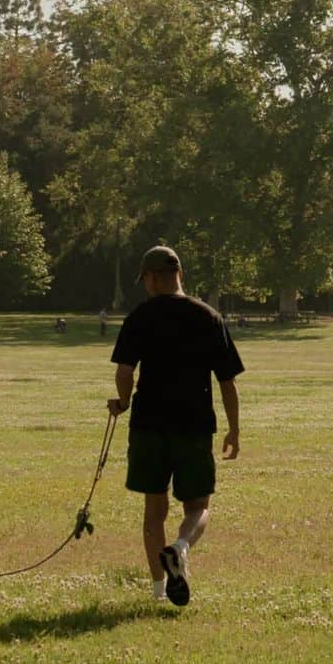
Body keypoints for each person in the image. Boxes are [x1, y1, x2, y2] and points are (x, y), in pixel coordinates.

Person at [107, 245, 242, 606]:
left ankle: (158, 590)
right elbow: (227, 381)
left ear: (151, 277)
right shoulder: (209, 316)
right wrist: (234, 429)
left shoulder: (140, 316)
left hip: (149, 423)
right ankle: (181, 547)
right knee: (198, 506)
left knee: (154, 511)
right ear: (179, 274)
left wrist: (123, 402)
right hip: (194, 424)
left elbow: (124, 372)